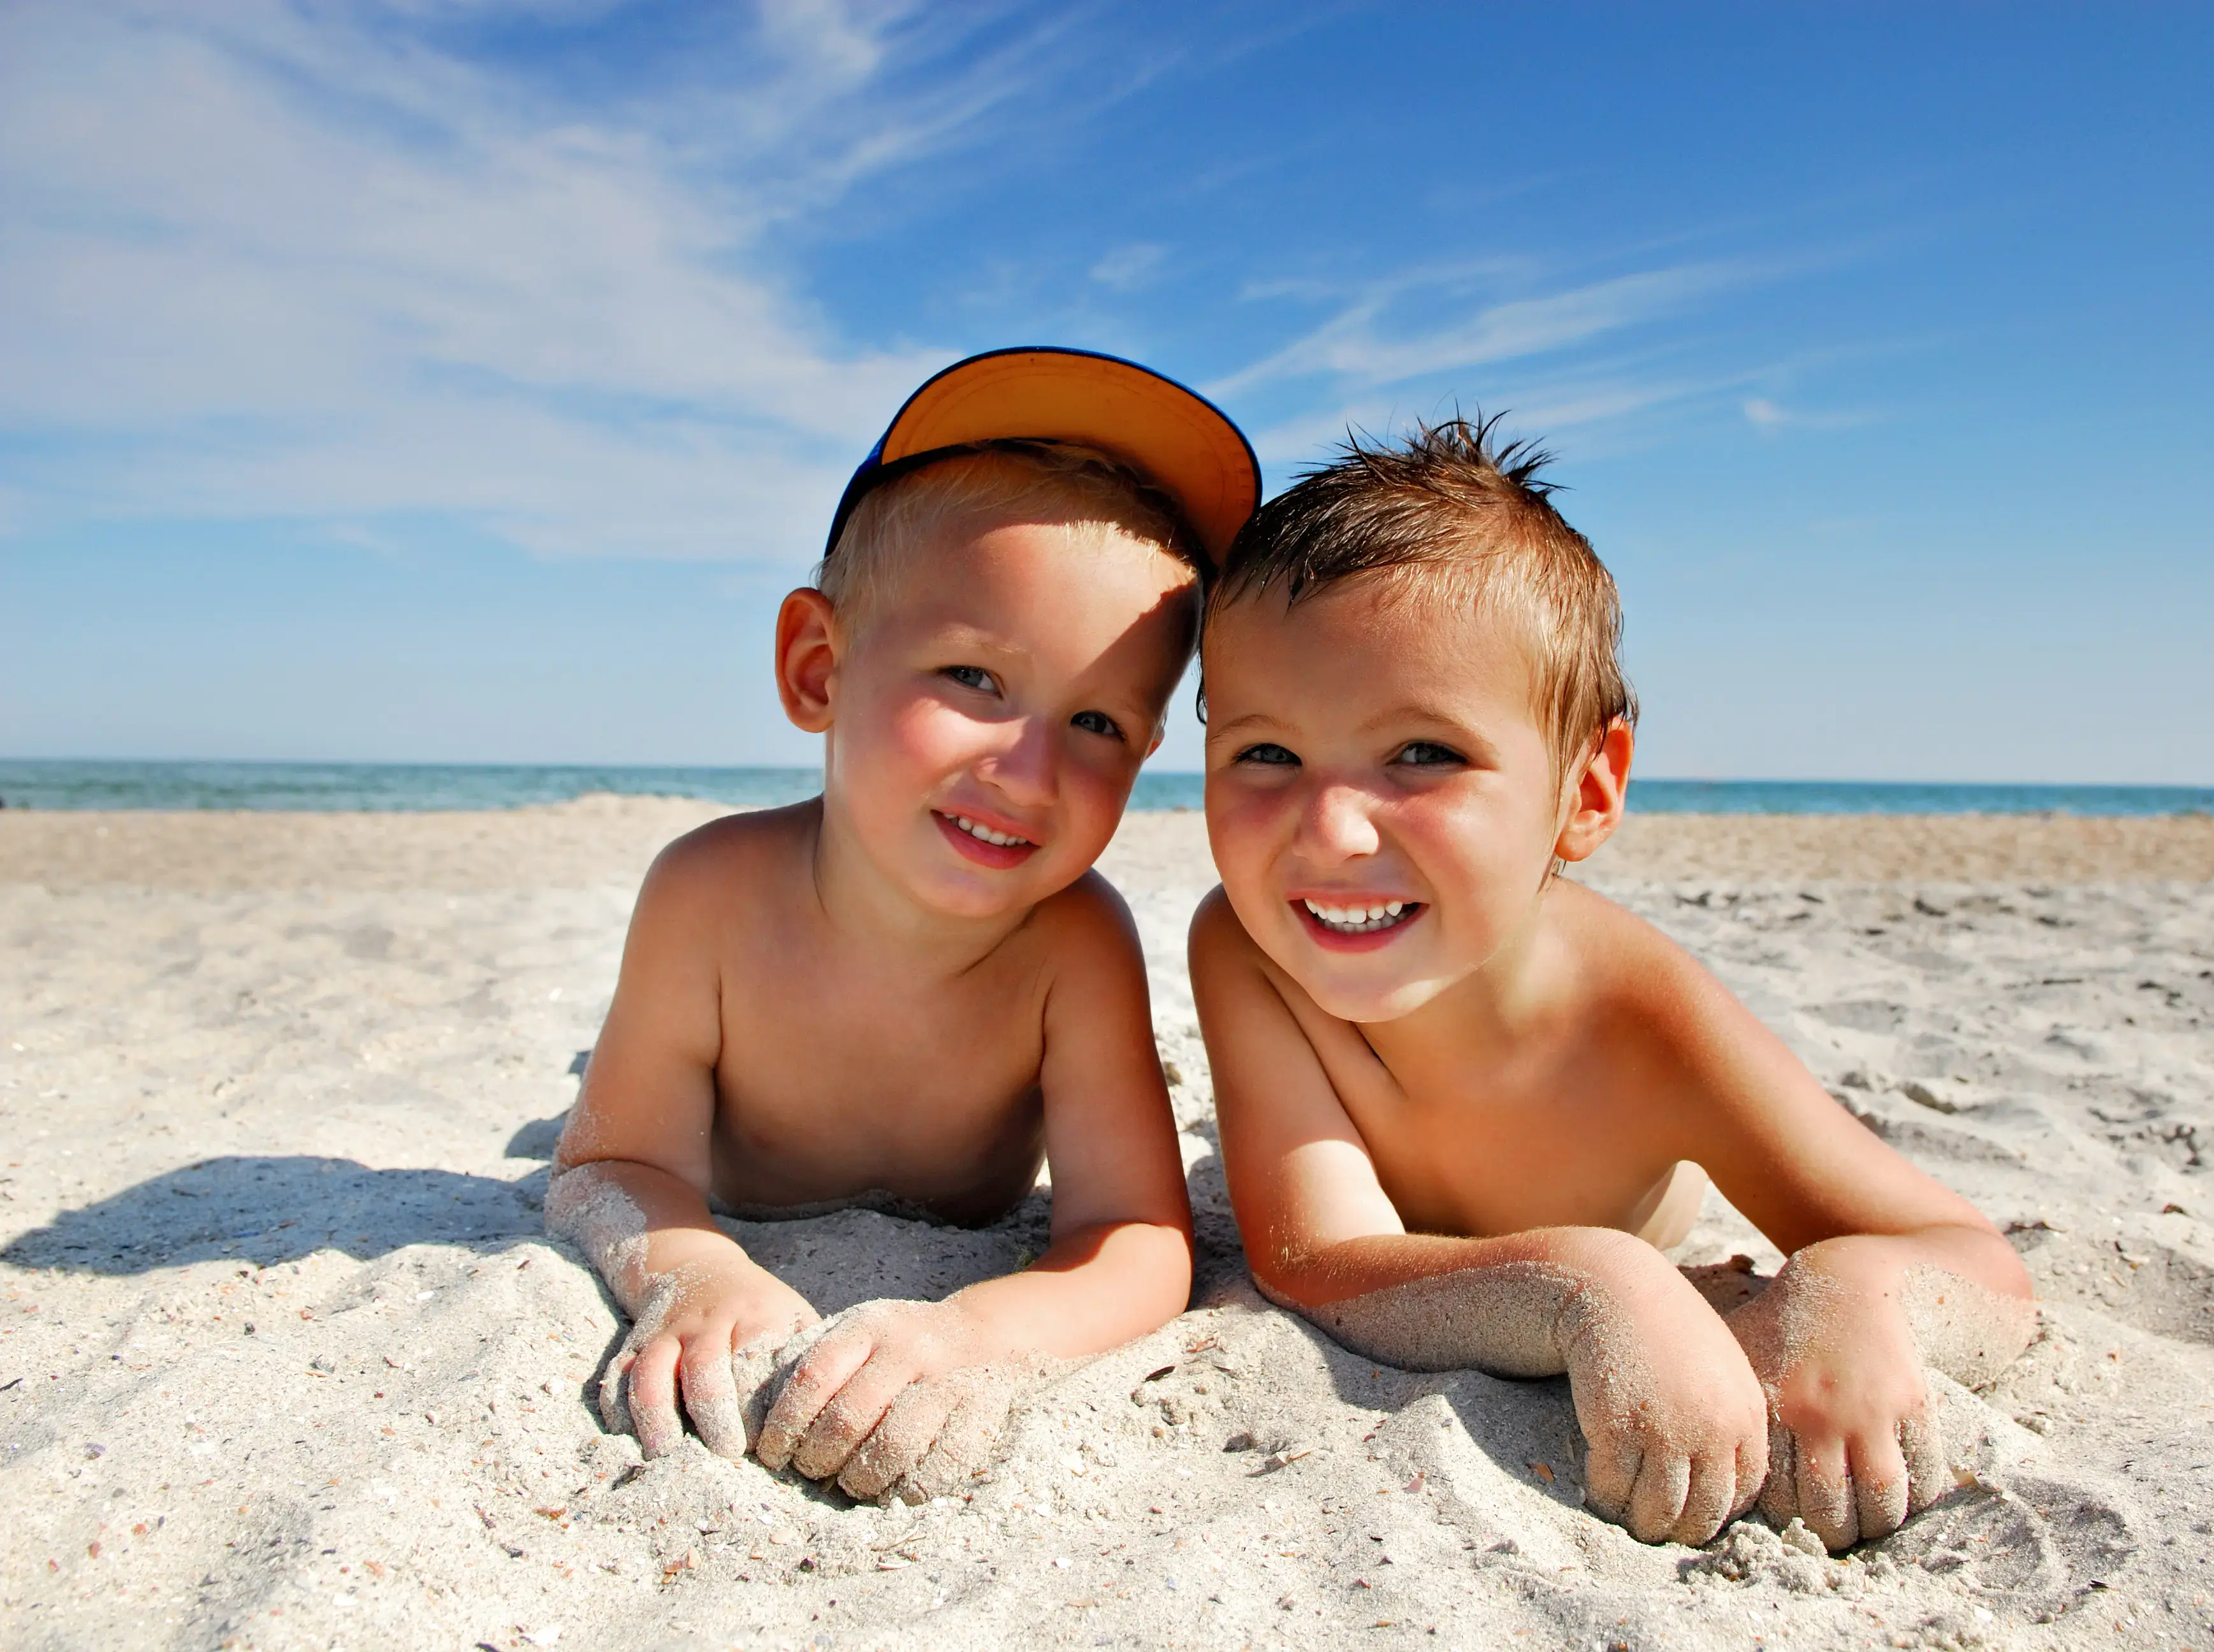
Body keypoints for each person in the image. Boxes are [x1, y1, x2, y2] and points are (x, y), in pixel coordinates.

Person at [1188, 417, 2036, 1550]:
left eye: (1424, 754)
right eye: (1266, 755)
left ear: (1588, 791)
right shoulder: (1249, 949)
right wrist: (1589, 1280)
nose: (1331, 831)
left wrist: (1857, 1297)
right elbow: (1312, 1262)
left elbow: (1973, 1261)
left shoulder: (1644, 1017)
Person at [549, 348, 1260, 1503]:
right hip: (731, 1177)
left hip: (959, 1232)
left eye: (1098, 722)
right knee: (596, 1099)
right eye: (975, 678)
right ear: (818, 668)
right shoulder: (710, 893)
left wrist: (978, 1330)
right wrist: (693, 1269)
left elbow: (1135, 1235)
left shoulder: (1075, 945)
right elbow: (607, 1167)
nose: (1029, 770)